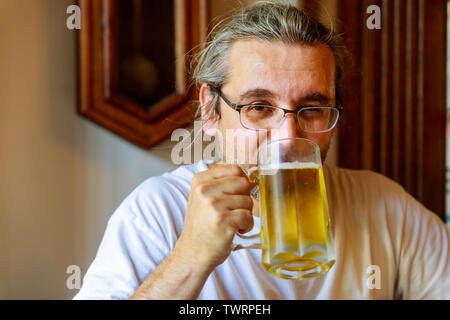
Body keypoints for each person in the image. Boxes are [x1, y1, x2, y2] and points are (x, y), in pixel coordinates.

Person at [74, 1, 450, 300]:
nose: (287, 138)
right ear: (210, 109)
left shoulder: (386, 207)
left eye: (312, 109)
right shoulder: (157, 212)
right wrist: (189, 259)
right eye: (258, 107)